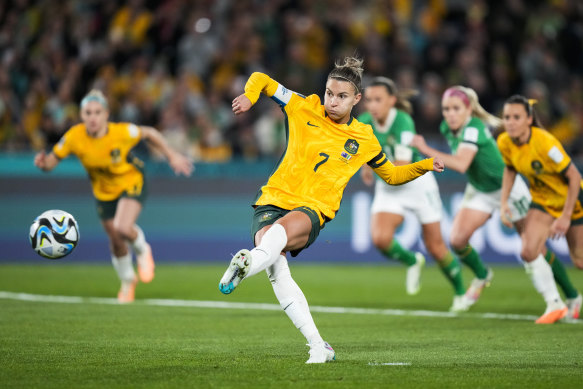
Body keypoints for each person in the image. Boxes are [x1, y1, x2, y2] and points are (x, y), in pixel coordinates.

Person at [218, 57, 444, 364]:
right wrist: (250, 95)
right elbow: (262, 77)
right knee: (276, 267)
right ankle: (317, 345)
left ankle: (245, 263)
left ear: (356, 99)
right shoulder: (303, 106)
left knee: (279, 236)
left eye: (341, 96)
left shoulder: (363, 137)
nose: (332, 101)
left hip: (313, 208)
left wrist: (425, 165)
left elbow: (391, 174)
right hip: (272, 199)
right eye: (329, 93)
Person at [411, 86, 580, 319]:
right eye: (446, 109)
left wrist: (424, 149)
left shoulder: (474, 128)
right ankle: (482, 275)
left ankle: (569, 296)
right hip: (480, 189)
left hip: (508, 189)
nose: (450, 114)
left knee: (535, 249)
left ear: (468, 110)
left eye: (455, 109)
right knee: (457, 240)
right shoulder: (446, 128)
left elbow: (461, 164)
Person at [34, 89, 193, 303]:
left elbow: (150, 133)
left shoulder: (121, 132)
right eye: (88, 113)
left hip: (132, 181)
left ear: (106, 114)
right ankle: (128, 282)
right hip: (103, 191)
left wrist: (172, 156)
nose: (93, 117)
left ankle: (142, 249)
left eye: (97, 112)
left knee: (122, 227)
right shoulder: (74, 137)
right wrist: (43, 164)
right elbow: (51, 162)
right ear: (82, 115)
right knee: (115, 239)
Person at [358, 77, 467, 311]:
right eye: (369, 100)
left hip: (416, 182)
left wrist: (371, 166)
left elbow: (401, 165)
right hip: (388, 185)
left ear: (392, 101)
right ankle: (412, 261)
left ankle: (460, 291)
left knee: (436, 247)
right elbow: (362, 152)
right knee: (380, 239)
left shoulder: (403, 121)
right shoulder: (364, 122)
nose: (372, 106)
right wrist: (364, 167)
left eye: (378, 100)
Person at [498, 95, 583, 323]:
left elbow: (574, 177)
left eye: (516, 117)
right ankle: (555, 304)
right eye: (507, 117)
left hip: (573, 201)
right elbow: (509, 170)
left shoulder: (545, 143)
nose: (511, 122)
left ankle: (574, 298)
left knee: (580, 261)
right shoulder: (504, 142)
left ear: (528, 119)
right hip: (543, 202)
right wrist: (503, 202)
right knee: (528, 251)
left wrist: (566, 217)